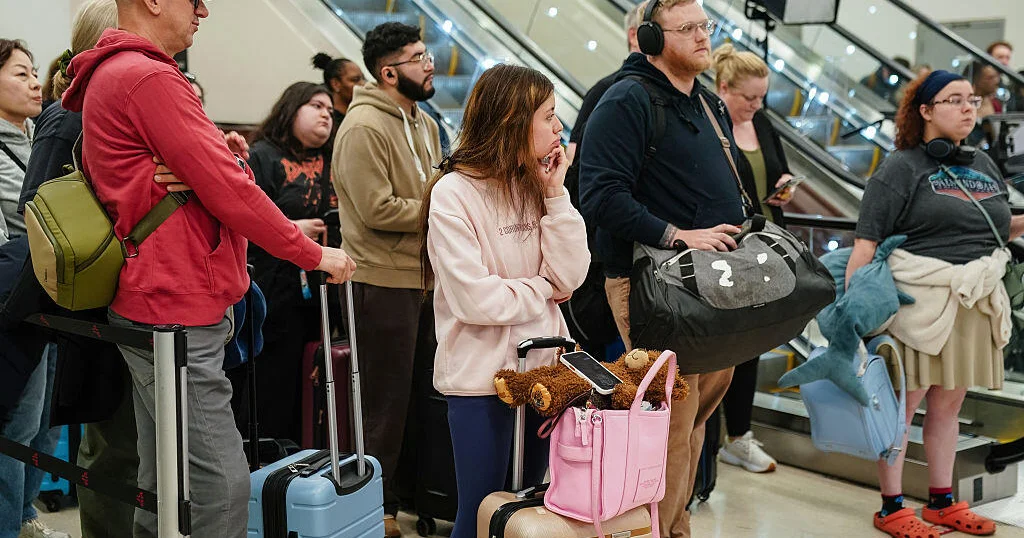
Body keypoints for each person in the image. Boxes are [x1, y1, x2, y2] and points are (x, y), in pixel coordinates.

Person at [62, 1, 357, 537]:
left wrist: (215, 164)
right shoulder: (148, 77)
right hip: (176, 305)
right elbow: (229, 188)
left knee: (163, 480)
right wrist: (313, 254)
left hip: (154, 298)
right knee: (221, 484)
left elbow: (214, 176)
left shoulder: (115, 73)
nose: (203, 10)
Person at [579, 0, 743, 535]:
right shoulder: (624, 100)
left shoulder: (709, 104)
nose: (703, 37)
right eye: (688, 28)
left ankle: (674, 526)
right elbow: (599, 195)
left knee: (697, 421)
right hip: (655, 285)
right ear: (650, 37)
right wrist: (676, 235)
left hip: (716, 284)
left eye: (706, 26)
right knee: (670, 424)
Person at [850, 69, 1024, 538]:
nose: (969, 108)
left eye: (972, 100)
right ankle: (890, 507)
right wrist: (854, 320)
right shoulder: (899, 169)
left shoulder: (984, 165)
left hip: (974, 300)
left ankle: (942, 501)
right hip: (915, 305)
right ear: (925, 111)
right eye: (954, 100)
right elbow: (865, 247)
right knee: (901, 408)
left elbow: (993, 225)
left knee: (949, 405)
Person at [422, 63, 589, 538]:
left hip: (544, 372)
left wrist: (556, 196)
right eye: (549, 116)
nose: (559, 128)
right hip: (480, 378)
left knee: (527, 509)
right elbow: (477, 300)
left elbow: (572, 274)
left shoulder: (536, 183)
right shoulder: (453, 192)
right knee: (480, 511)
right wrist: (542, 289)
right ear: (514, 120)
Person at [332, 21, 441, 537]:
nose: (431, 63)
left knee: (425, 396)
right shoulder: (363, 128)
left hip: (424, 279)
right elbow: (376, 210)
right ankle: (378, 508)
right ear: (389, 72)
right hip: (379, 283)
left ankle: (419, 497)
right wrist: (442, 210)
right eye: (419, 57)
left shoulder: (424, 122)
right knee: (386, 403)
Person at [711, 43, 796, 475]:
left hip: (763, 248)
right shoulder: (711, 122)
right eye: (749, 97)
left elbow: (775, 171)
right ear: (724, 87)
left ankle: (738, 436)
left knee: (753, 345)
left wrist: (783, 187)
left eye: (762, 97)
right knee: (721, 348)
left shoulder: (760, 122)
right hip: (727, 250)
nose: (756, 105)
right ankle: (711, 438)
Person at [245, 81, 335, 444]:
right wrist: (291, 230)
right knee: (274, 385)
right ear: (291, 108)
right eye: (315, 105)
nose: (325, 114)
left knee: (313, 387)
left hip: (324, 292)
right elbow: (244, 217)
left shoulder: (335, 158)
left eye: (329, 109)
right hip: (275, 290)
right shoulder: (262, 155)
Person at [0, 38, 63, 538]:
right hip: (16, 298)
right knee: (17, 424)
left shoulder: (41, 137)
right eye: (21, 73)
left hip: (53, 291)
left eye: (34, 71)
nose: (35, 82)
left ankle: (24, 515)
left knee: (45, 420)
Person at [559, 0, 647, 358]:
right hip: (610, 259)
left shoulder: (688, 99)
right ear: (636, 35)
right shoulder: (611, 94)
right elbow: (578, 175)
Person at [312, 52, 365, 135]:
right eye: (355, 80)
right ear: (336, 84)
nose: (363, 84)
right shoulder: (326, 123)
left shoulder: (358, 116)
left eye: (363, 79)